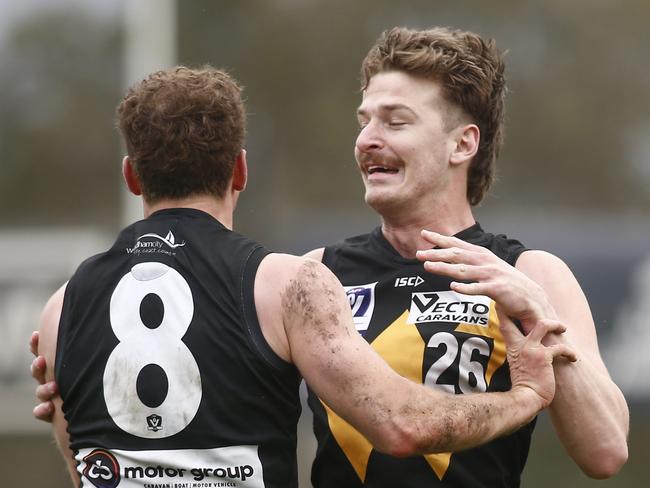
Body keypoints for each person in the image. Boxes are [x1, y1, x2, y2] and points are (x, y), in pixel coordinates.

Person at [32, 65, 574, 488]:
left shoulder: (62, 308)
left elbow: (86, 462)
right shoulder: (287, 283)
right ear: (239, 169)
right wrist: (524, 397)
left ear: (131, 176)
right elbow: (403, 424)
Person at [301, 26, 629, 487]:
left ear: (463, 144)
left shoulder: (529, 272)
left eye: (395, 122)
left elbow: (607, 451)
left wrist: (538, 312)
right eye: (364, 121)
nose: (367, 140)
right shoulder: (316, 272)